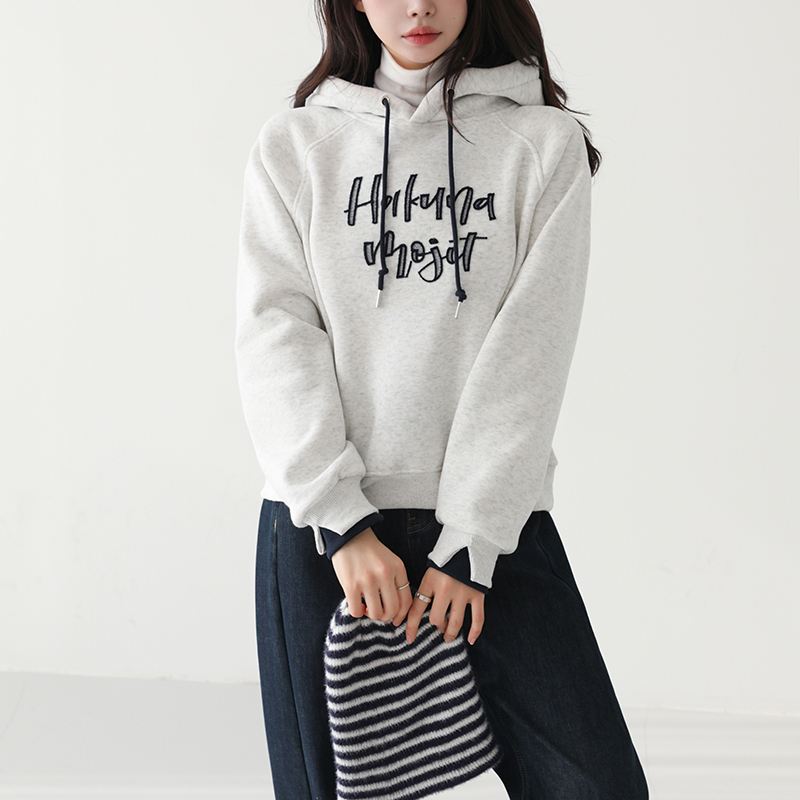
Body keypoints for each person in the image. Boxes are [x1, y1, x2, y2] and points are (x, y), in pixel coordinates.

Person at [235, 0, 650, 798]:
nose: (418, 5)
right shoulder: (294, 146)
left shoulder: (541, 145)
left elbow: (530, 352)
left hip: (493, 523)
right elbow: (274, 338)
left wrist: (471, 542)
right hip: (324, 530)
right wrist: (340, 522)